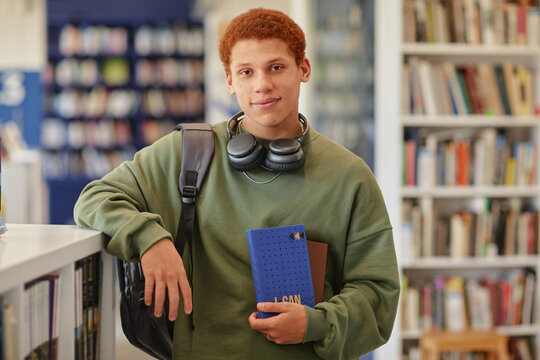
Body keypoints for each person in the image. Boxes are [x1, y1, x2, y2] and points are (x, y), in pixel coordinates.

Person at [74, 8, 399, 359]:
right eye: (246, 72)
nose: (262, 84)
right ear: (230, 80)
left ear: (303, 69)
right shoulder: (189, 153)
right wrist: (150, 239)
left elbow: (377, 295)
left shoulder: (349, 176)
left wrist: (316, 323)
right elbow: (94, 199)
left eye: (276, 67)